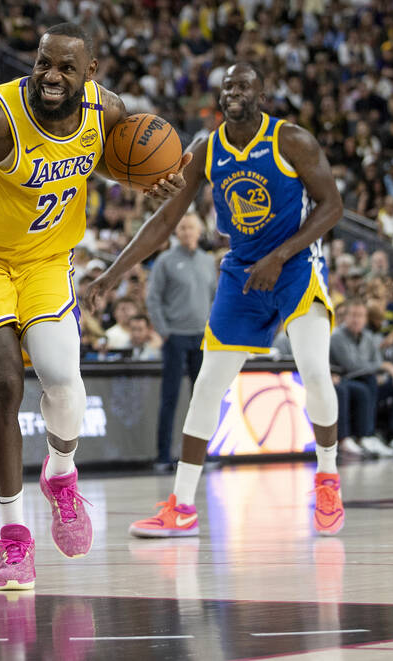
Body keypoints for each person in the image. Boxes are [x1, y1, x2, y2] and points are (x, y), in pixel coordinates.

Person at [0, 22, 181, 590]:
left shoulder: (108, 111)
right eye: (44, 62)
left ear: (89, 74)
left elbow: (107, 161)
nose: (50, 75)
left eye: (66, 67)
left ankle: (62, 476)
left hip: (47, 260)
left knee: (63, 380)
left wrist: (144, 178)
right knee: (3, 382)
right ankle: (14, 538)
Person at [87, 63, 346, 538]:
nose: (233, 92)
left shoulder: (291, 140)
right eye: (227, 85)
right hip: (242, 273)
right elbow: (165, 221)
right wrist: (113, 272)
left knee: (313, 369)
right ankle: (181, 505)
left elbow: (333, 206)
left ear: (262, 94)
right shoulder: (205, 149)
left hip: (296, 267)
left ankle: (328, 477)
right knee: (208, 385)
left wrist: (280, 255)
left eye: (244, 85)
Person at [145, 212, 216, 466]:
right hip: (175, 337)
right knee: (170, 398)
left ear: (199, 231)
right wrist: (164, 331)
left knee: (202, 398)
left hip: (201, 337)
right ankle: (163, 456)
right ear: (177, 232)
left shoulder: (207, 262)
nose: (187, 232)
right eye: (183, 228)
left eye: (191, 228)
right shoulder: (165, 261)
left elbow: (214, 297)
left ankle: (201, 455)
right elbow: (153, 298)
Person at [329, 300, 393, 458]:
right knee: (365, 385)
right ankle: (363, 435)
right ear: (345, 317)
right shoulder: (337, 337)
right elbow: (352, 366)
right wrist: (383, 367)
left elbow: (375, 361)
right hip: (342, 378)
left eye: (360, 316)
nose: (356, 320)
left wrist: (381, 371)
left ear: (366, 319)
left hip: (365, 378)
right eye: (353, 315)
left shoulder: (368, 337)